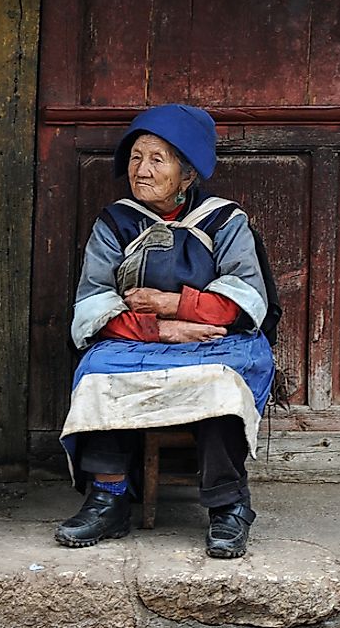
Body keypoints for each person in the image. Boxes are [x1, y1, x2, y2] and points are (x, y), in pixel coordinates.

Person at [54, 103, 274, 559]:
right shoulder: (115, 222)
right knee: (100, 373)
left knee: (221, 385)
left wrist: (174, 303)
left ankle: (228, 505)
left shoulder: (225, 221)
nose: (143, 170)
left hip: (216, 340)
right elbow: (95, 303)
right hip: (139, 338)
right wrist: (162, 328)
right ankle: (108, 497)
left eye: (158, 159)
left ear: (187, 173)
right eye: (136, 157)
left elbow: (243, 302)